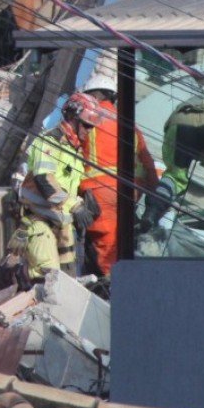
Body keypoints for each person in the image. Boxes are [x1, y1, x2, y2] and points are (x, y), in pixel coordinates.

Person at [82, 78, 160, 276]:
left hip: (99, 191)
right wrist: (154, 196)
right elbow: (147, 163)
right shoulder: (128, 124)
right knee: (121, 236)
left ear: (92, 96)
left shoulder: (87, 119)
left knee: (107, 242)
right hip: (128, 190)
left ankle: (111, 283)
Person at [17, 93, 99, 275]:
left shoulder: (73, 149)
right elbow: (44, 181)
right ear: (72, 118)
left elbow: (67, 184)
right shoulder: (49, 142)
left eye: (92, 127)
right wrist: (75, 205)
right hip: (39, 222)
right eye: (86, 125)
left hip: (62, 225)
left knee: (69, 278)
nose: (89, 130)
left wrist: (85, 202)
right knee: (46, 275)